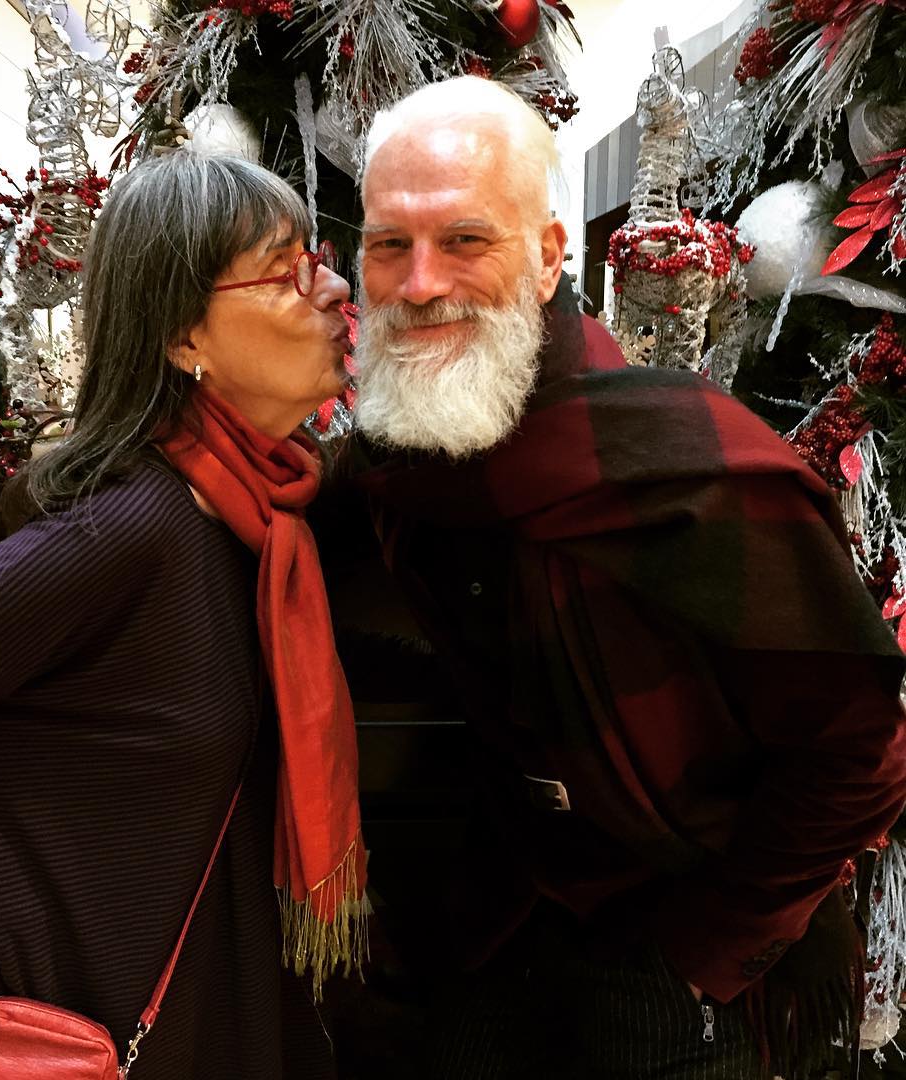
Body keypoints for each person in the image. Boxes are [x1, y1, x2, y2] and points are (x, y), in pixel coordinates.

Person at [348, 75, 906, 1079]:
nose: (420, 282)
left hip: (683, 949)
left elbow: (858, 752)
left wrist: (703, 954)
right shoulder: (403, 455)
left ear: (548, 255)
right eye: (390, 243)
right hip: (503, 926)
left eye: (465, 238)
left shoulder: (690, 467)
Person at [0, 150, 366, 1080]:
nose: (334, 287)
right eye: (287, 271)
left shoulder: (254, 516)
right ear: (184, 336)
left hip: (175, 1005)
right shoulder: (131, 525)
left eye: (316, 259)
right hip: (65, 1036)